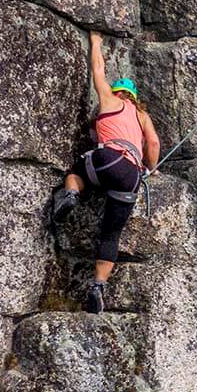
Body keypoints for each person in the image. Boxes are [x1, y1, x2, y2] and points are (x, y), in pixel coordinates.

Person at [50, 32, 160, 313]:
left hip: (107, 159)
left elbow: (97, 70)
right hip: (130, 174)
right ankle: (98, 285)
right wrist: (151, 167)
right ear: (135, 98)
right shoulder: (141, 115)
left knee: (77, 170)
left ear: (118, 92)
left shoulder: (108, 100)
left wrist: (96, 42)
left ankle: (72, 193)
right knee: (111, 234)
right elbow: (154, 143)